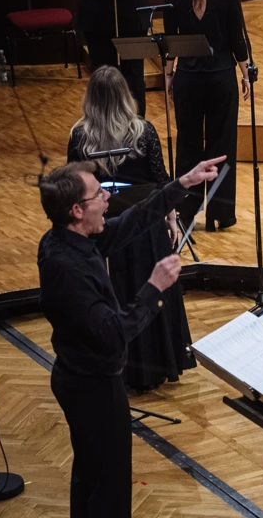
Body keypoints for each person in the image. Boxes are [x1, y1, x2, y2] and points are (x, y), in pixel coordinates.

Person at [37, 154, 223, 518]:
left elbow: (132, 222)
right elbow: (114, 332)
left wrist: (184, 183)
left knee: (91, 483)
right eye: (98, 194)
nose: (107, 198)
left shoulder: (68, 240)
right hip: (92, 388)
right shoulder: (68, 266)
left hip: (83, 381)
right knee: (107, 492)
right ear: (77, 210)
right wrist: (154, 288)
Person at [67, 65, 192, 393]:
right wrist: (171, 217)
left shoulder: (80, 136)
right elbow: (161, 179)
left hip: (104, 226)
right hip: (144, 226)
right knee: (150, 289)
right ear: (126, 95)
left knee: (120, 294)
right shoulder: (143, 130)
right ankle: (157, 364)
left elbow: (73, 184)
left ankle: (124, 369)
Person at [165, 0, 250, 230]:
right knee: (222, 145)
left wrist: (168, 76)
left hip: (188, 80)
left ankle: (186, 212)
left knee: (187, 145)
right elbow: (237, 39)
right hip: (221, 79)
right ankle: (220, 213)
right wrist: (245, 73)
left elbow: (171, 44)